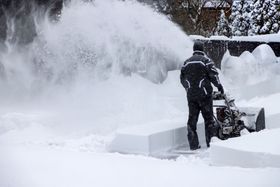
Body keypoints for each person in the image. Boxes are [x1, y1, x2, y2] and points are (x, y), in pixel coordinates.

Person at [180, 41, 224, 150]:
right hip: (205, 96)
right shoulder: (206, 61)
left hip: (191, 97)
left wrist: (188, 88)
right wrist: (219, 86)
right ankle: (210, 144)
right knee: (209, 120)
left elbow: (182, 79)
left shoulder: (186, 63)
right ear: (202, 49)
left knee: (192, 121)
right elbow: (214, 75)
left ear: (194, 49)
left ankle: (194, 146)